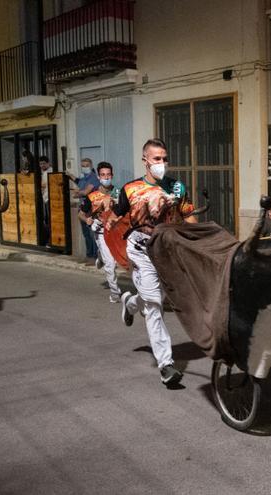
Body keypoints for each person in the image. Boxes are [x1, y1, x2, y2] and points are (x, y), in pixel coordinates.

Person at [106, 139, 197, 386]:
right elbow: (116, 215)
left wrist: (199, 239)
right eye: (157, 159)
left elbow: (188, 216)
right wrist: (111, 223)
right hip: (140, 251)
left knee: (154, 298)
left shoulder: (177, 187)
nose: (162, 163)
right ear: (145, 160)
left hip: (166, 251)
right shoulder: (130, 189)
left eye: (165, 158)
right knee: (155, 305)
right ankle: (166, 365)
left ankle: (130, 302)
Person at [78, 161, 122, 303]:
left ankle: (100, 257)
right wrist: (87, 220)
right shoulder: (92, 196)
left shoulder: (118, 192)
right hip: (101, 232)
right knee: (111, 264)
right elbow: (80, 214)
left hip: (115, 231)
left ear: (112, 175)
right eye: (103, 175)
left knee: (113, 259)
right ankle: (115, 293)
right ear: (98, 177)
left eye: (108, 174)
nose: (106, 177)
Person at [69, 158, 101, 260]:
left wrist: (77, 193)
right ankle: (89, 255)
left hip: (90, 208)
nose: (84, 167)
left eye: (86, 165)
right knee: (86, 234)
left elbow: (86, 192)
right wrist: (70, 176)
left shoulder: (93, 178)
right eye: (83, 165)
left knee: (92, 234)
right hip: (82, 207)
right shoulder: (84, 177)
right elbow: (79, 184)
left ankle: (95, 257)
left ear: (91, 166)